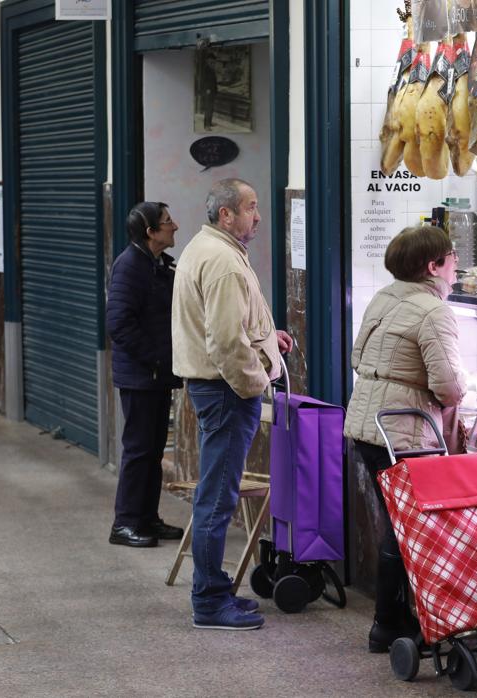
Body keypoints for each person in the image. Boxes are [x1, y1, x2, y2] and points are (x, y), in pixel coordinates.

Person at [342, 224, 470, 652]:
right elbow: (450, 387)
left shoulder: (385, 296)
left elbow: (358, 356)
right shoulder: (433, 311)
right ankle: (391, 623)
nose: (456, 266)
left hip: (368, 424)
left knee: (395, 523)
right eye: (451, 258)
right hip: (403, 431)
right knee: (404, 528)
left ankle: (393, 620)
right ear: (433, 266)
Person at [172, 178, 292, 631]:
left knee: (216, 495)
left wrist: (268, 341)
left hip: (217, 389)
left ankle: (216, 590)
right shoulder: (222, 261)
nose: (257, 216)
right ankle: (208, 603)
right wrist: (255, 383)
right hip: (225, 392)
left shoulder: (209, 250)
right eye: (250, 207)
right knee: (217, 500)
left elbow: (235, 324)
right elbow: (224, 341)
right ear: (226, 214)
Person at [106, 202, 185, 548]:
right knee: (139, 450)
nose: (175, 226)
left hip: (156, 375)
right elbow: (119, 325)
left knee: (152, 450)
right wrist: (155, 360)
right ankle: (124, 524)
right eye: (167, 222)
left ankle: (148, 518)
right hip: (141, 377)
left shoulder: (156, 264)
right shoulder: (129, 267)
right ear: (151, 232)